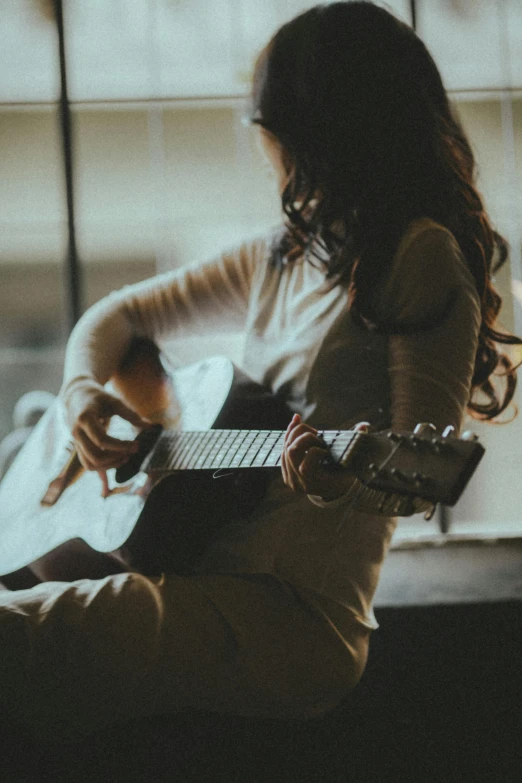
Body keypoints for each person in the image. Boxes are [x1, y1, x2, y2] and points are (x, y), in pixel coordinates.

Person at [0, 0, 519, 741]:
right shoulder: (284, 250)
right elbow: (116, 316)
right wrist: (82, 389)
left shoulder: (420, 254)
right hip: (201, 570)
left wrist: (346, 482)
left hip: (291, 617)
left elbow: (414, 464)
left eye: (266, 124)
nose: (261, 144)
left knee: (27, 635)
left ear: (317, 130)